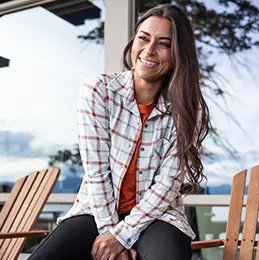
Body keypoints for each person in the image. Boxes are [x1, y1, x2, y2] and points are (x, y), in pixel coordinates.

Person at [29, 4, 210, 260]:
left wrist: (121, 236)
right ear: (133, 40)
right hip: (97, 210)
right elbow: (97, 172)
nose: (149, 50)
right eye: (143, 38)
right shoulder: (98, 90)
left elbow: (166, 186)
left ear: (178, 54)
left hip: (158, 214)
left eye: (164, 44)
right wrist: (110, 235)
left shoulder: (187, 110)